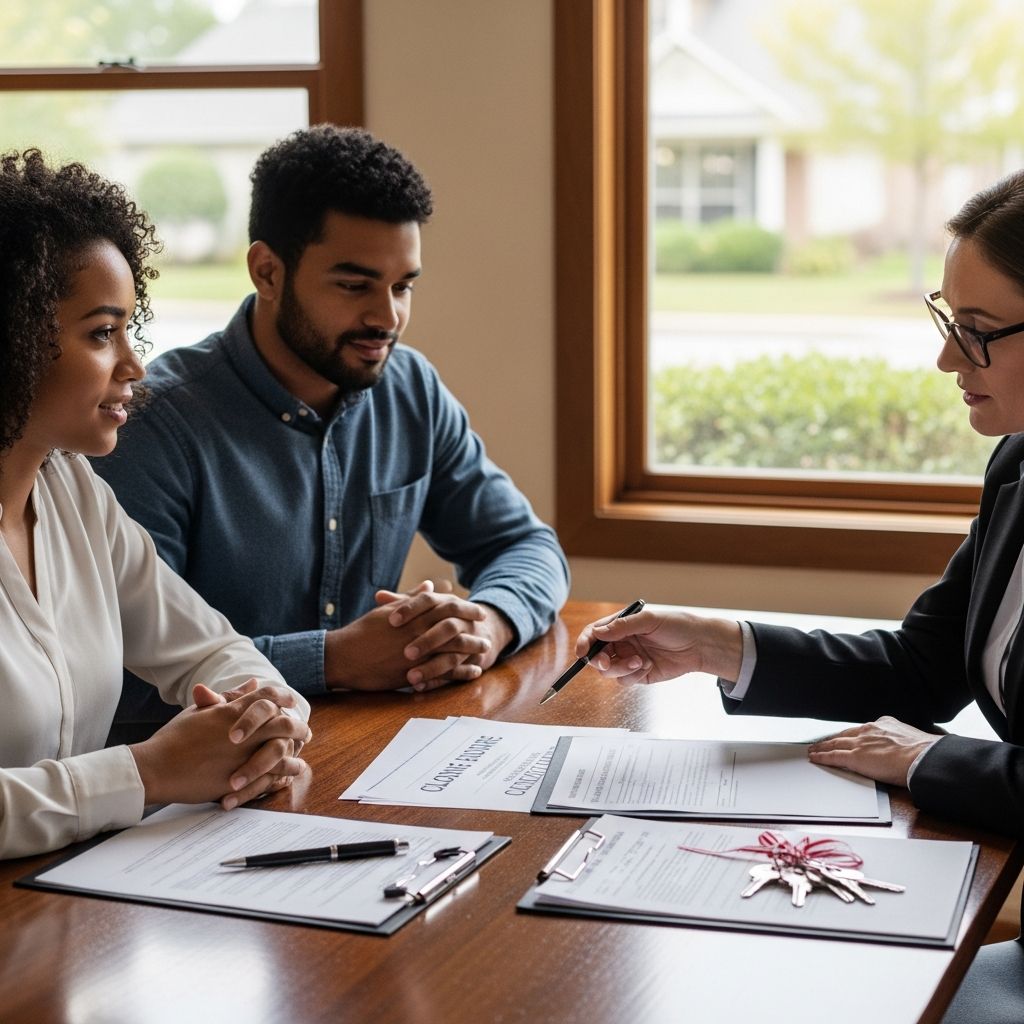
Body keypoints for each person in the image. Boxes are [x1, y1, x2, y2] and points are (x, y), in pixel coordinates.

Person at [572, 169, 1024, 1023]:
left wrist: (929, 760)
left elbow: (930, 726)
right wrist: (718, 644)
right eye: (947, 323)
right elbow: (923, 668)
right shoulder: (1018, 465)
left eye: (978, 333)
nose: (945, 359)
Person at [93, 125, 569, 737]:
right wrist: (335, 659)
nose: (386, 317)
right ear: (268, 272)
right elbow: (120, 673)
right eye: (355, 285)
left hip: (365, 753)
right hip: (201, 796)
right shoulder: (155, 424)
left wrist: (487, 623)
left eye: (403, 287)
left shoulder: (410, 390)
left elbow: (527, 546)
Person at [0, 149, 311, 859]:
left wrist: (264, 719)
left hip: (69, 919)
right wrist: (146, 773)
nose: (136, 365)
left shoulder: (74, 490)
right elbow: (143, 773)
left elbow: (213, 649)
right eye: (102, 333)